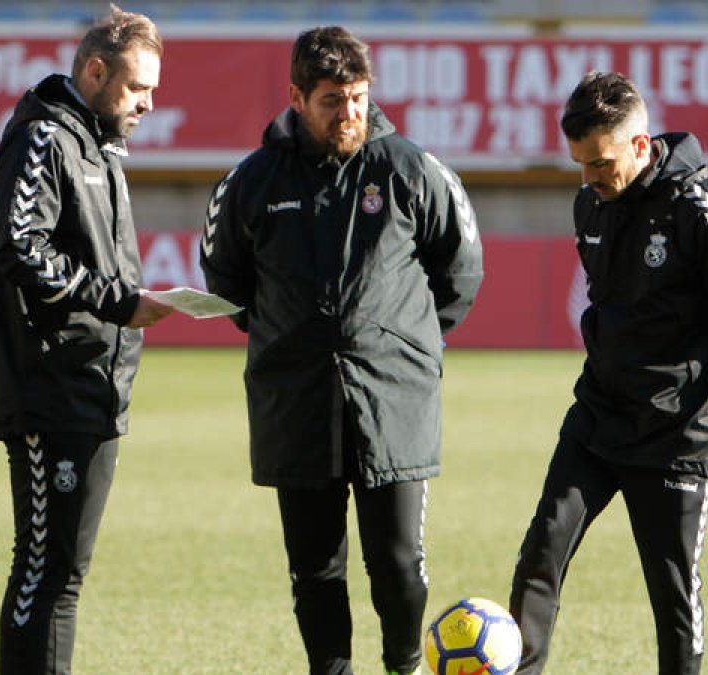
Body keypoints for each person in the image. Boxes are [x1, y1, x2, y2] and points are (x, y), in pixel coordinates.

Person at [199, 26, 484, 675]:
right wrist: (291, 339)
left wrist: (409, 344)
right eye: (333, 99)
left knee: (398, 564)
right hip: (293, 400)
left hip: (394, 400)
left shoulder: (410, 168)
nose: (349, 112)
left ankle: (405, 662)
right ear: (297, 97)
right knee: (315, 571)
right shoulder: (252, 181)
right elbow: (227, 282)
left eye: (358, 97)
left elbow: (461, 267)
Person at [508, 71, 708, 675]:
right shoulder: (590, 204)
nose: (588, 178)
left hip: (676, 433)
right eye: (579, 164)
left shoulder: (706, 213)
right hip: (599, 418)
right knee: (540, 555)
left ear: (639, 143)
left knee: (672, 594)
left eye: (599, 163)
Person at [0, 6, 173, 673]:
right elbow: (18, 247)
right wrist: (118, 301)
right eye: (138, 87)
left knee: (63, 574)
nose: (150, 102)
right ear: (95, 71)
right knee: (43, 569)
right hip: (48, 386)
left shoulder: (100, 144)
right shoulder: (42, 138)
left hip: (94, 386)